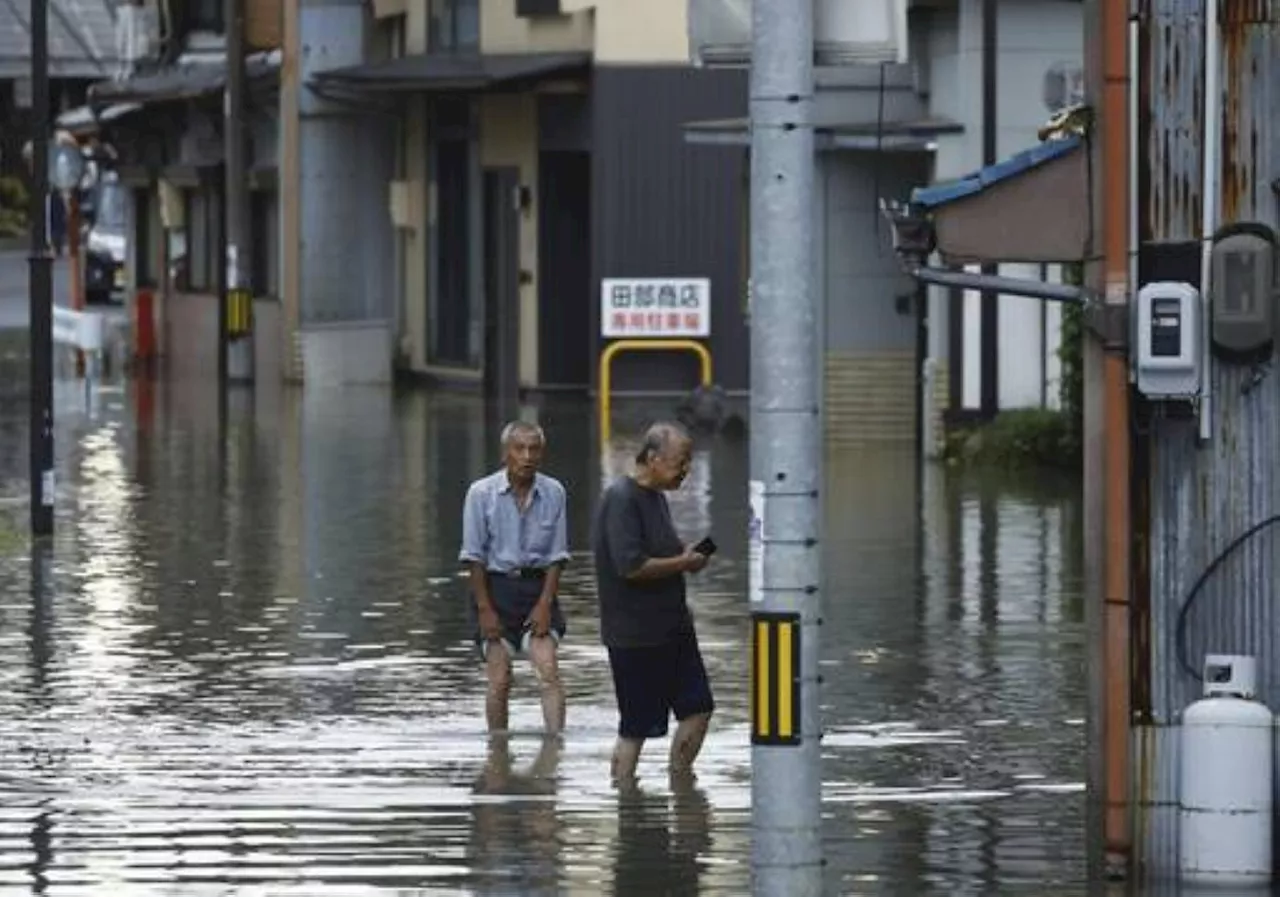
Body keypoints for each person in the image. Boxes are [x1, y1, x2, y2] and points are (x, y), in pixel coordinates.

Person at [592, 421, 715, 785]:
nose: (686, 470)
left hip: (674, 627)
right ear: (653, 458)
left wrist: (688, 557)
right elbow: (630, 567)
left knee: (699, 708)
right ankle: (626, 803)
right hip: (635, 635)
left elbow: (666, 552)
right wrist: (683, 562)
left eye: (689, 461)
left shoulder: (657, 499)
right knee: (636, 728)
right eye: (681, 461)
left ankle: (681, 783)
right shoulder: (621, 498)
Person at [459, 421, 570, 735]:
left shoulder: (554, 492)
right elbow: (474, 557)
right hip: (494, 588)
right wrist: (485, 609)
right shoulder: (481, 494)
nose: (527, 456)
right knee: (500, 677)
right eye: (519, 449)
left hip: (538, 588)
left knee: (547, 669)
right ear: (505, 454)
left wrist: (545, 604)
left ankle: (555, 746)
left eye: (534, 449)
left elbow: (557, 556)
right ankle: (497, 751)